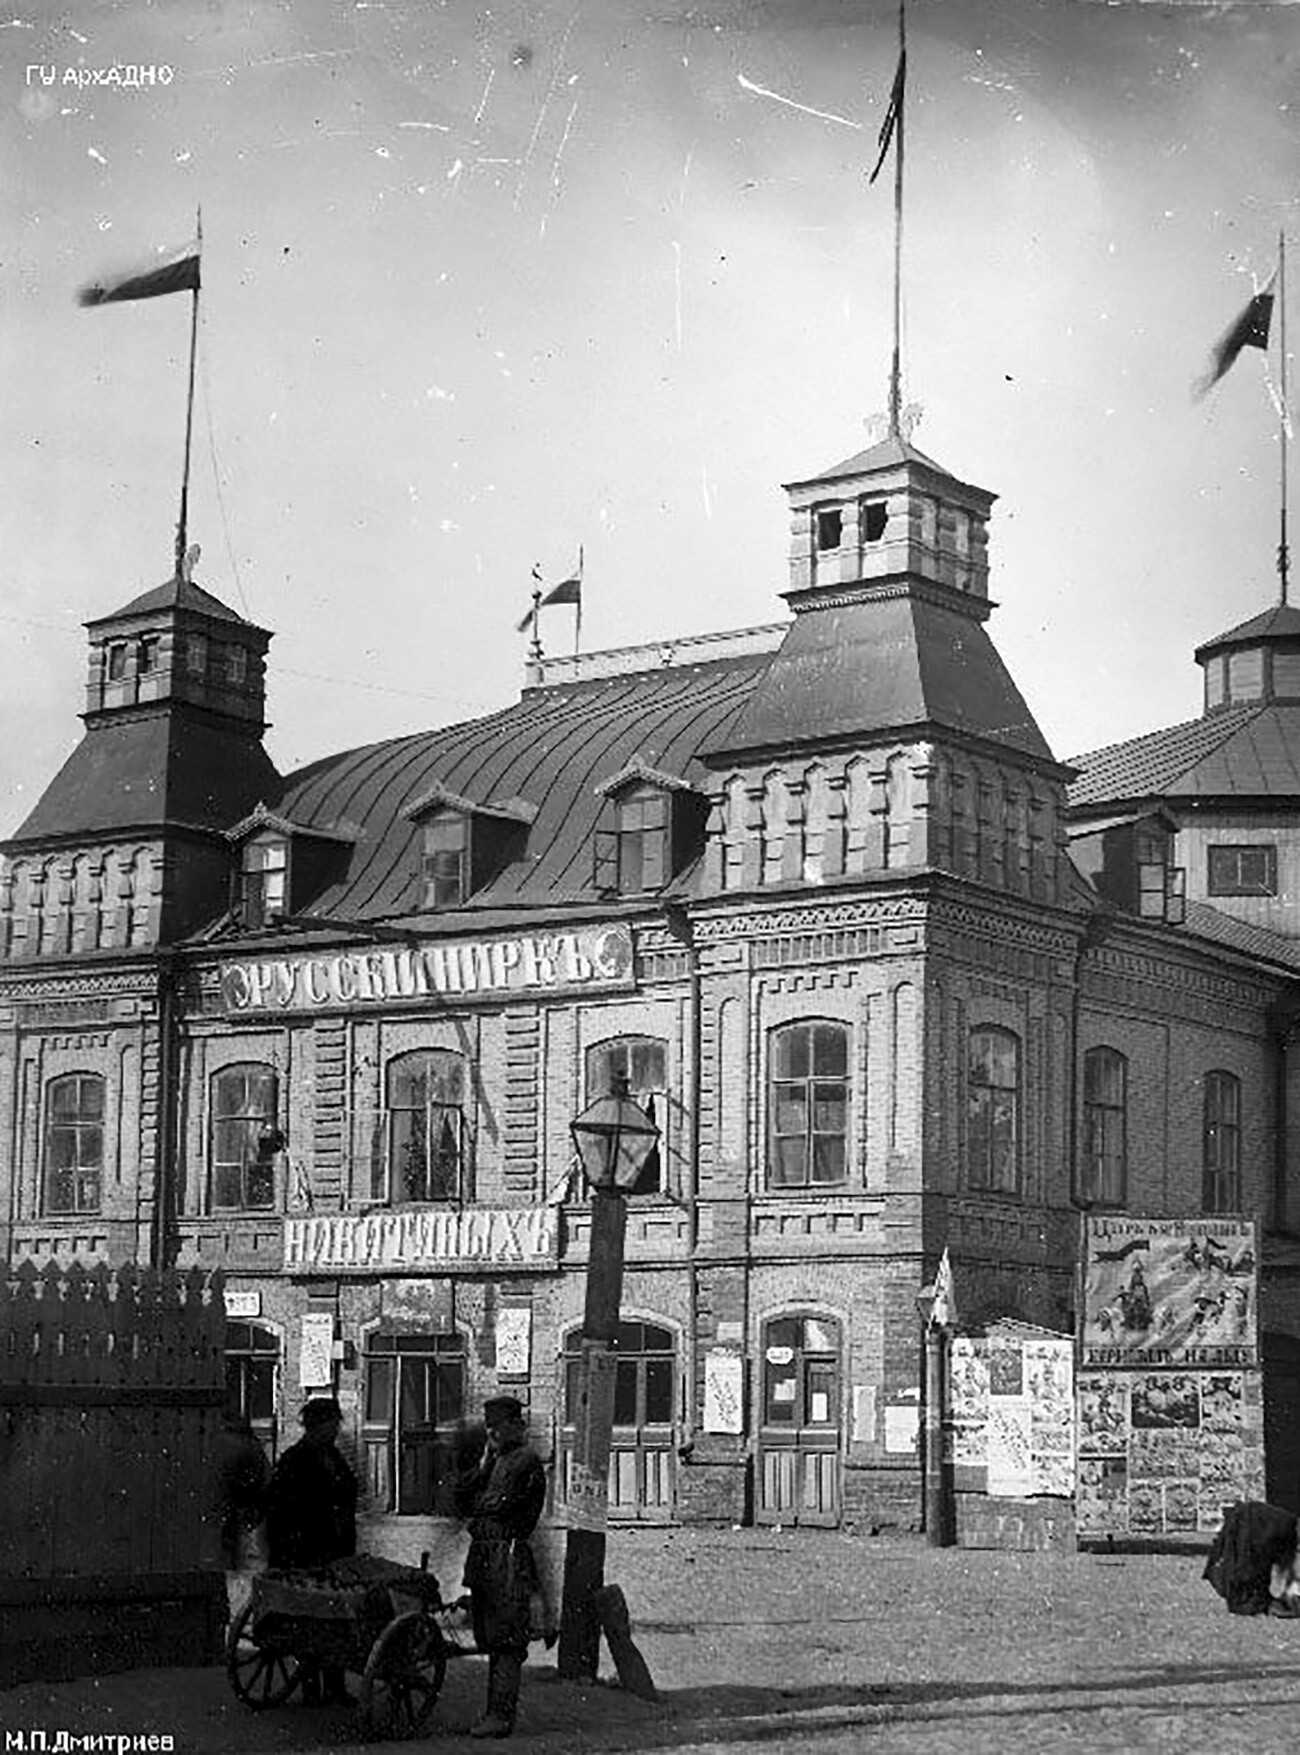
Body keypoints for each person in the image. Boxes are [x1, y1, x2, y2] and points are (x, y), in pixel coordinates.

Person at [460, 1395, 547, 1739]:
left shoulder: (525, 1461)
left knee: (506, 1639)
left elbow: (498, 1504)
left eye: (498, 1426)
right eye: (489, 1427)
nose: (492, 1433)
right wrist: (482, 1469)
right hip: (485, 1557)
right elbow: (464, 1497)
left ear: (516, 1425)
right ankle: (494, 1712)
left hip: (507, 1557)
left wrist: (478, 1500)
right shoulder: (495, 1460)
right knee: (489, 1635)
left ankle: (500, 1715)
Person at [263, 1396, 358, 1705]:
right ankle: (310, 1688)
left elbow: (346, 1494)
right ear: (316, 1426)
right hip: (305, 1551)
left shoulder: (333, 1456)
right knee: (309, 1622)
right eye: (331, 1425)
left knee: (335, 1622)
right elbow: (280, 1512)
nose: (335, 1430)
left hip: (334, 1549)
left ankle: (334, 1685)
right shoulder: (295, 1460)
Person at [214, 1409, 269, 1572]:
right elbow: (264, 1479)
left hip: (216, 1510)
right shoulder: (249, 1444)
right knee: (240, 1558)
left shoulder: (212, 1441)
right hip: (241, 1510)